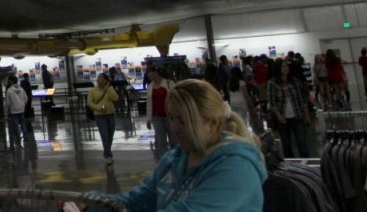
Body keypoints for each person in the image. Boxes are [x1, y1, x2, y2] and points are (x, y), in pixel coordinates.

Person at [90, 79, 266, 211]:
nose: (174, 128)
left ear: (212, 123)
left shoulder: (237, 169)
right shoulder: (173, 160)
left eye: (183, 121)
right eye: (172, 118)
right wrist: (88, 203)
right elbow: (135, 202)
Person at [269, 56, 311, 157]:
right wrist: (279, 116)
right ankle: (291, 166)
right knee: (286, 144)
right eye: (283, 66)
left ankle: (306, 164)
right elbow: (272, 102)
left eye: (286, 66)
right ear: (278, 68)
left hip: (298, 116)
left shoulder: (294, 81)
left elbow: (301, 100)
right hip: (283, 119)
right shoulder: (272, 83)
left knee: (302, 142)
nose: (286, 68)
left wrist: (307, 115)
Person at [87, 72, 119, 165]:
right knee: (104, 135)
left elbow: (115, 98)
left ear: (105, 80)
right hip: (99, 115)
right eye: (98, 78)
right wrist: (98, 108)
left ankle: (106, 152)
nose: (98, 79)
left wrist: (109, 88)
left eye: (100, 78)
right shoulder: (93, 91)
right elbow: (89, 102)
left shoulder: (110, 89)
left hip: (111, 114)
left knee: (110, 135)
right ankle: (108, 156)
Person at [145, 66, 176, 158]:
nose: (148, 75)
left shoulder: (169, 84)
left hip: (170, 116)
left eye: (149, 72)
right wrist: (148, 119)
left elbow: (176, 98)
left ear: (156, 73)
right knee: (161, 140)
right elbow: (149, 103)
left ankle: (176, 157)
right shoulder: (150, 86)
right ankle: (164, 159)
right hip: (156, 116)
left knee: (174, 139)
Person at [5, 75, 28, 147]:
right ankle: (25, 137)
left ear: (11, 81)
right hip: (22, 109)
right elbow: (26, 99)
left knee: (16, 125)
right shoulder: (21, 89)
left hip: (14, 110)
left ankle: (18, 139)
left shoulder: (9, 90)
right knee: (23, 123)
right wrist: (23, 105)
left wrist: (6, 111)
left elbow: (7, 102)